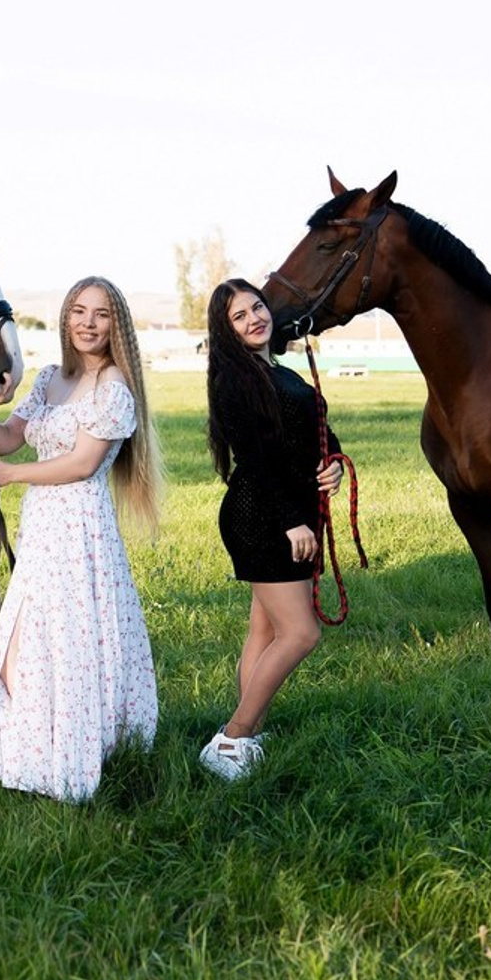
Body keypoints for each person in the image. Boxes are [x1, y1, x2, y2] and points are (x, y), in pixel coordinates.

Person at [0, 275, 163, 803]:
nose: (88, 323)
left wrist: (9, 477)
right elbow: (8, 438)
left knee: (63, 643)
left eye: (101, 314)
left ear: (116, 325)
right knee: (26, 644)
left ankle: (71, 753)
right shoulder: (49, 379)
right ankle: (37, 752)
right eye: (79, 311)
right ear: (66, 318)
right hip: (43, 525)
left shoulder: (114, 388)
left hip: (80, 529)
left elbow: (82, 465)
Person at [199, 278, 344, 780]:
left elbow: (315, 430)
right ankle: (232, 738)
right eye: (239, 316)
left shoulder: (278, 371)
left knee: (264, 631)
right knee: (300, 633)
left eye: (256, 307)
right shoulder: (234, 380)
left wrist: (334, 462)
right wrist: (292, 523)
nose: (254, 319)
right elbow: (257, 461)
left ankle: (249, 733)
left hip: (288, 513)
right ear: (226, 330)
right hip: (262, 517)